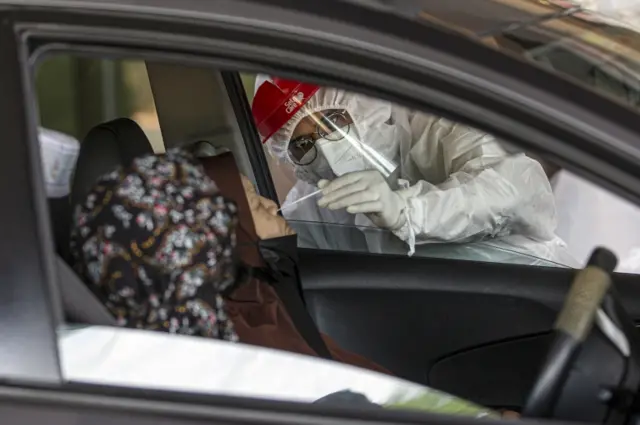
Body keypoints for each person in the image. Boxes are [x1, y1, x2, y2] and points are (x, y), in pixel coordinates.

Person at [69, 148, 390, 373]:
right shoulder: (237, 338)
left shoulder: (257, 299)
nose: (272, 205)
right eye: (251, 200)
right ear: (211, 232)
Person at [251, 77, 575, 265]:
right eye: (304, 144)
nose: (328, 149)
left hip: (533, 293)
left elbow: (514, 191)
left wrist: (409, 211)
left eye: (334, 121)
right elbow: (294, 267)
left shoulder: (438, 126)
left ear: (361, 103)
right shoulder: (316, 205)